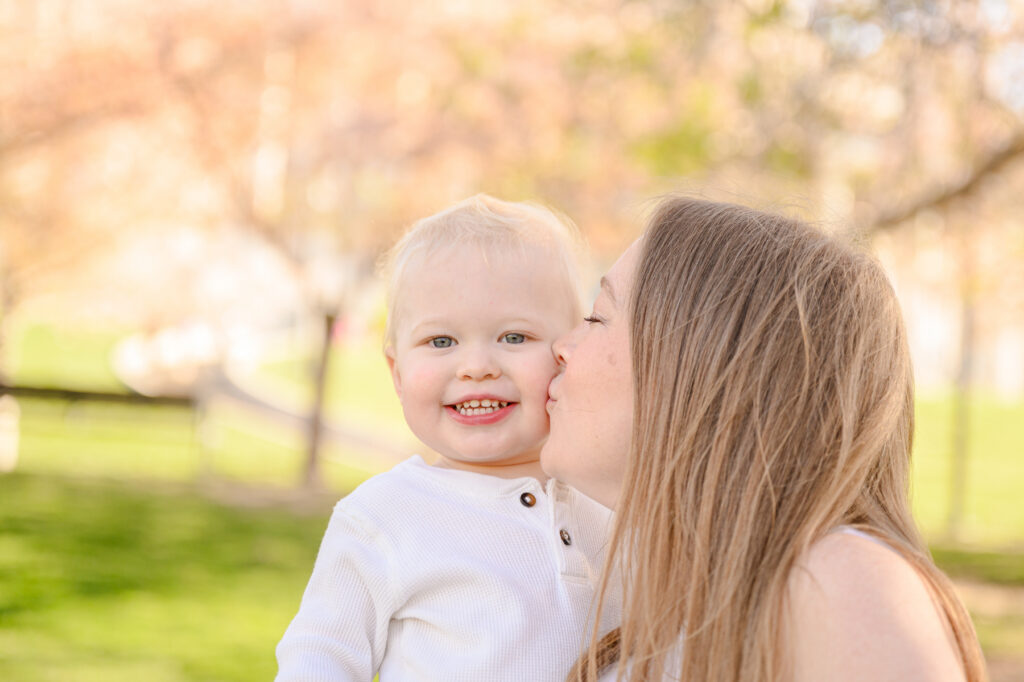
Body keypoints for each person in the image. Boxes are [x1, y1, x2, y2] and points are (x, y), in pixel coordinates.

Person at [541, 196, 987, 682]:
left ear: (704, 362)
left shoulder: (840, 577)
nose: (561, 348)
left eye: (597, 316)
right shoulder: (675, 611)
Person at [275, 194, 620, 681]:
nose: (476, 367)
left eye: (514, 337)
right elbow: (320, 659)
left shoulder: (611, 509)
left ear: (567, 354)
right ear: (397, 372)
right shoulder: (385, 516)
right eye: (441, 342)